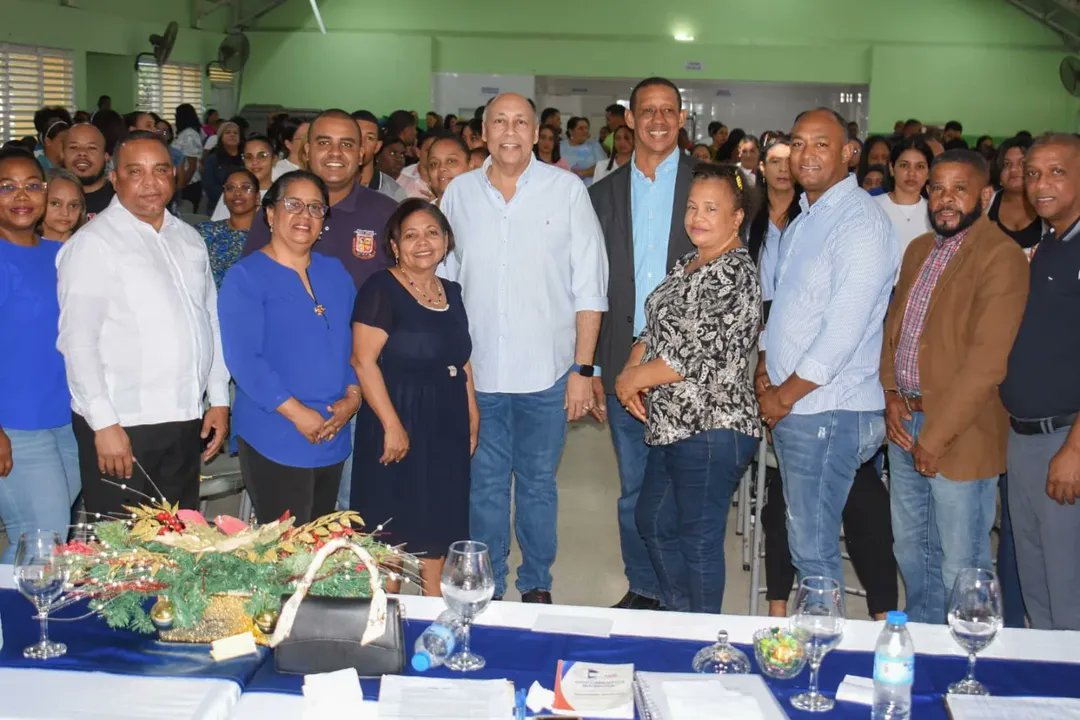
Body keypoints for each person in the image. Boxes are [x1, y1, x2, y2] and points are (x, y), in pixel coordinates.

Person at [442, 92, 608, 603]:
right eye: (499, 121)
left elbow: (591, 285)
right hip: (479, 373)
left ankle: (537, 582)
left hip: (549, 372)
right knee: (486, 487)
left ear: (538, 134)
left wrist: (584, 368)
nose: (510, 131)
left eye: (521, 122)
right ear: (483, 132)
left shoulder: (567, 191)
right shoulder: (459, 194)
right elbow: (443, 285)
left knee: (538, 484)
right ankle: (487, 582)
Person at [881, 150, 1029, 624]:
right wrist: (890, 395)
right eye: (937, 188)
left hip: (960, 433)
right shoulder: (919, 250)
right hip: (906, 421)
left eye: (958, 189)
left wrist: (936, 435)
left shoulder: (1001, 256)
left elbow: (987, 363)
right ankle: (923, 649)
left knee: (960, 565)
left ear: (986, 195)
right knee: (912, 550)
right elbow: (894, 328)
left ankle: (968, 664)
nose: (944, 199)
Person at [756, 108, 898, 592]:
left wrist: (783, 395)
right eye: (798, 143)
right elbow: (787, 312)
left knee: (813, 552)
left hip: (826, 410)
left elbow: (843, 332)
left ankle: (822, 658)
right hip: (803, 405)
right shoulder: (804, 220)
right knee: (805, 540)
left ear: (848, 153)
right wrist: (763, 367)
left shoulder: (860, 223)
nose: (807, 154)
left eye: (821, 143)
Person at [56, 131, 230, 516]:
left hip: (185, 418)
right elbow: (77, 341)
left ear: (174, 175)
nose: (150, 183)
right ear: (115, 178)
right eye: (136, 172)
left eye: (161, 170)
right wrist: (104, 425)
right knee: (123, 556)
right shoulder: (93, 244)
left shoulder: (188, 239)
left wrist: (218, 397)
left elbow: (210, 320)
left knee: (177, 544)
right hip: (124, 424)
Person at [614, 162, 760, 613]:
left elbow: (692, 355)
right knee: (653, 520)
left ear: (736, 218)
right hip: (671, 425)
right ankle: (679, 615)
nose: (697, 216)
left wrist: (633, 380)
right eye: (693, 206)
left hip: (713, 428)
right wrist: (631, 365)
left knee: (697, 538)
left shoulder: (734, 272)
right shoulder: (689, 262)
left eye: (711, 208)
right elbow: (656, 327)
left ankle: (702, 640)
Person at [241, 109, 398, 511]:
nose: (335, 152)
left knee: (350, 506)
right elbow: (247, 326)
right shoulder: (274, 210)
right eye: (323, 142)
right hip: (285, 394)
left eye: (347, 143)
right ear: (305, 150)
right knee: (287, 521)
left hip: (363, 382)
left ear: (364, 152)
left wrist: (357, 389)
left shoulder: (384, 214)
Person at [589, 77, 694, 610]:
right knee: (634, 487)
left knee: (681, 488)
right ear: (629, 119)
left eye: (667, 110)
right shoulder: (601, 194)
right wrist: (585, 368)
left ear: (681, 117)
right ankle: (645, 587)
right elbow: (585, 284)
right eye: (646, 110)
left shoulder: (710, 186)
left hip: (685, 364)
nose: (657, 119)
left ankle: (681, 590)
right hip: (621, 361)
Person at [352, 199, 477, 594]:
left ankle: (433, 605)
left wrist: (472, 415)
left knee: (439, 517)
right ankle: (385, 614)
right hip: (398, 415)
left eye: (432, 233)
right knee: (392, 521)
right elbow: (363, 361)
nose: (422, 242)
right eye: (411, 235)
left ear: (446, 241)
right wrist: (392, 425)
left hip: (447, 418)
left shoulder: (452, 292)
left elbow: (462, 358)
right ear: (394, 244)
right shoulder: (380, 289)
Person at [219, 171, 357, 524]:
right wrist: (298, 414)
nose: (304, 216)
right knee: (285, 556)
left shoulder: (335, 272)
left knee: (321, 546)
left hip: (332, 429)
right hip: (276, 431)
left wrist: (353, 397)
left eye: (315, 208)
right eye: (293, 204)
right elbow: (245, 360)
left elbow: (352, 341)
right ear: (269, 214)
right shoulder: (246, 276)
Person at [1000, 134, 1080, 630]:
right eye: (1032, 174)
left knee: (1067, 587)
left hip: (1065, 439)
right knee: (1036, 581)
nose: (1040, 184)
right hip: (1025, 437)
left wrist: (1075, 448)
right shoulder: (1049, 244)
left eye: (1056, 172)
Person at [0, 149, 81, 562]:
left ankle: (13, 624)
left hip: (66, 419)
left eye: (32, 185)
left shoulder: (61, 255)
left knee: (35, 538)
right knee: (44, 538)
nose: (21, 196)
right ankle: (24, 626)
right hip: (15, 426)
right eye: (7, 186)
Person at [874, 136, 933, 261]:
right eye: (904, 165)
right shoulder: (872, 207)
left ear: (929, 173)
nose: (912, 173)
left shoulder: (935, 212)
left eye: (920, 166)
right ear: (891, 168)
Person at [199, 168, 259, 287]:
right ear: (224, 198)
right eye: (230, 188)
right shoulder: (204, 232)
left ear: (257, 197)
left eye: (245, 187)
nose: (237, 193)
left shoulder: (270, 237)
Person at [989, 137, 1041, 252]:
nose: (1013, 169)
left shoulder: (1048, 202)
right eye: (1007, 164)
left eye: (1022, 163)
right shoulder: (986, 203)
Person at [211, 134, 275, 221]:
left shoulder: (283, 193)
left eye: (262, 156)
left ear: (274, 159)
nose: (255, 162)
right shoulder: (233, 193)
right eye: (248, 157)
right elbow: (217, 226)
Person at [351, 110, 408, 202]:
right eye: (357, 135)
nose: (362, 143)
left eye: (370, 138)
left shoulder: (393, 192)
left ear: (377, 146)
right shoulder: (330, 184)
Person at [62, 123, 113, 218]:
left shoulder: (121, 200)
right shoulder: (48, 200)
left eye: (91, 148)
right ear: (63, 155)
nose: (82, 153)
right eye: (74, 147)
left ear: (106, 157)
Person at [202, 120, 243, 212]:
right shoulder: (212, 159)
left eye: (235, 133)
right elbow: (209, 185)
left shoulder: (246, 157)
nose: (232, 135)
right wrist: (231, 199)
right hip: (218, 206)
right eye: (227, 132)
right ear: (221, 137)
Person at [172, 103, 204, 211]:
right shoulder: (184, 133)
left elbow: (192, 166)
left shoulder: (190, 134)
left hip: (189, 184)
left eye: (176, 115)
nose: (175, 118)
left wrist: (181, 186)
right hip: (183, 182)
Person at [40, 167, 86, 241]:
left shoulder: (89, 245)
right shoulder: (22, 245)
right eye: (55, 203)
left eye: (73, 205)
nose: (65, 213)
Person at [426, 133, 470, 205]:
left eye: (451, 161)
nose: (441, 168)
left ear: (470, 166)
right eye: (434, 164)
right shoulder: (423, 214)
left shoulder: (486, 210)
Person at [561, 117, 607, 185]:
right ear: (571, 131)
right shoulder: (560, 146)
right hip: (566, 185)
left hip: (591, 187)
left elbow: (603, 165)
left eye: (586, 128)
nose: (585, 131)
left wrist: (583, 173)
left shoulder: (594, 145)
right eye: (581, 128)